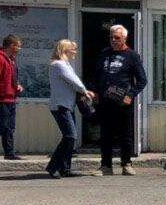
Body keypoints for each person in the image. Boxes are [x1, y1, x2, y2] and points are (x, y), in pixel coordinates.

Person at [95, 24, 148, 176]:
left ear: (124, 38)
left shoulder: (132, 56)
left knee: (126, 134)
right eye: (111, 37)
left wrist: (130, 95)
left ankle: (126, 164)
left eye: (116, 37)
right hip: (105, 102)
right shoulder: (104, 54)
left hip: (123, 102)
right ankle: (106, 166)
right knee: (106, 135)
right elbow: (96, 75)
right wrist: (95, 91)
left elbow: (142, 80)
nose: (113, 40)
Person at [47, 40, 94, 178]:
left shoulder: (64, 64)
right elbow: (73, 81)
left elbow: (72, 80)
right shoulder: (59, 65)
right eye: (73, 49)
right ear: (65, 49)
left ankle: (65, 168)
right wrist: (85, 91)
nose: (75, 51)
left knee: (70, 137)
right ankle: (53, 167)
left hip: (67, 105)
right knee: (70, 136)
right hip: (61, 106)